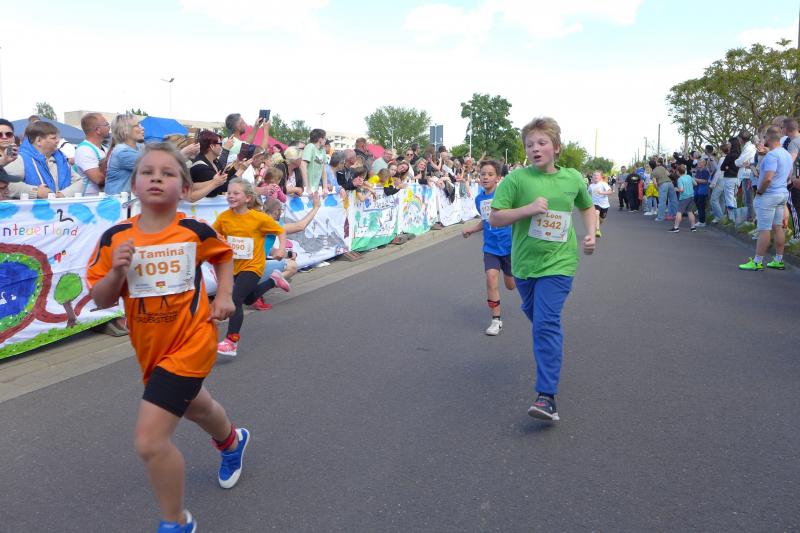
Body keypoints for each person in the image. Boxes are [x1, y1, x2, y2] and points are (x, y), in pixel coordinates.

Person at [86, 143, 249, 533]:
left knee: (150, 441)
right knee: (196, 406)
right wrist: (117, 272)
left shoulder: (194, 230)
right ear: (134, 185)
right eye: (148, 172)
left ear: (185, 188)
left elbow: (223, 255)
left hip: (193, 339)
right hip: (150, 347)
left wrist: (224, 295)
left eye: (168, 173)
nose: (156, 178)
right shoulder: (115, 238)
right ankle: (232, 441)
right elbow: (101, 298)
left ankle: (177, 523)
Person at [489, 117, 595, 422]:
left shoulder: (572, 178)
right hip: (524, 266)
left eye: (542, 143)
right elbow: (495, 218)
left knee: (546, 324)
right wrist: (528, 209)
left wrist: (591, 233)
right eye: (529, 145)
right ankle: (551, 349)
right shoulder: (516, 179)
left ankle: (547, 397)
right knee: (538, 318)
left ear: (556, 147)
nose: (535, 148)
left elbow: (587, 207)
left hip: (560, 263)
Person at [213, 178, 287, 357]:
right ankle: (273, 280)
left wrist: (282, 249)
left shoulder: (258, 218)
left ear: (247, 198)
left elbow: (280, 230)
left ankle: (231, 341)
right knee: (248, 299)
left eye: (236, 193)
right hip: (234, 267)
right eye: (229, 193)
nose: (231, 196)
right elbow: (213, 234)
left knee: (236, 299)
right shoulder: (224, 218)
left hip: (253, 266)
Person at [461, 159, 514, 336]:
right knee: (491, 279)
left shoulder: (505, 195)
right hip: (491, 247)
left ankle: (513, 277)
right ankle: (496, 320)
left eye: (490, 174)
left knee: (511, 285)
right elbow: (486, 221)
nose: (485, 177)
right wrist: (470, 229)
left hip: (509, 246)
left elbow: (516, 215)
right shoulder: (479, 199)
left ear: (498, 178)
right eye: (483, 174)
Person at [250, 193, 322, 311]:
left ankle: (255, 289)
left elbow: (268, 249)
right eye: (281, 210)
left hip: (247, 265)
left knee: (286, 263)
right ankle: (257, 293)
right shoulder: (271, 223)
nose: (281, 213)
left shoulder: (260, 220)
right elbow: (300, 226)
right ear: (276, 211)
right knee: (292, 266)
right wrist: (316, 207)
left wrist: (288, 254)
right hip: (253, 267)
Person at [738, 130, 793, 271]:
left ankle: (757, 262)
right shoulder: (787, 154)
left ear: (768, 138)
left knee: (764, 229)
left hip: (769, 195)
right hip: (782, 193)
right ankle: (778, 260)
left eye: (763, 138)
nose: (762, 141)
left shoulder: (772, 156)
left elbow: (768, 178)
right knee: (778, 227)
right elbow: (789, 176)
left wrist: (760, 192)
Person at [4, 121, 83, 198]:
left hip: (60, 206)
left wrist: (62, 194)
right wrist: (36, 192)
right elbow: (7, 184)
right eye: (53, 138)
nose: (58, 140)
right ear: (38, 141)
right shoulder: (20, 158)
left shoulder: (61, 159)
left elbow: (79, 182)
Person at [105, 114, 145, 195]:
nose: (143, 128)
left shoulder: (139, 147)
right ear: (125, 130)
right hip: (118, 201)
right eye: (137, 125)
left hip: (127, 200)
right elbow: (154, 167)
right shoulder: (122, 152)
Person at [73, 112, 110, 195]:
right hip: (90, 200)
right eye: (106, 124)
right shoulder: (84, 150)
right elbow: (98, 179)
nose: (109, 127)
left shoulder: (104, 148)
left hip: (103, 198)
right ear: (98, 130)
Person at [669, 164, 697, 233]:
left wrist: (676, 189)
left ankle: (676, 227)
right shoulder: (689, 176)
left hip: (684, 197)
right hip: (691, 196)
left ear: (678, 172)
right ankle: (693, 227)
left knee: (679, 212)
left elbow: (681, 189)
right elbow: (695, 184)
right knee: (690, 211)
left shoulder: (680, 179)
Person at [719, 136, 742, 223]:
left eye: (729, 143)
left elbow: (722, 167)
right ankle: (736, 218)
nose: (727, 145)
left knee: (729, 198)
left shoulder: (729, 155)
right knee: (733, 198)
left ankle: (731, 218)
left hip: (729, 178)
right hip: (737, 178)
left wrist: (727, 167)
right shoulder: (740, 154)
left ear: (732, 144)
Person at [300, 129, 327, 193]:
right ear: (320, 139)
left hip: (315, 189)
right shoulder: (310, 146)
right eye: (325, 138)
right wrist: (307, 187)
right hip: (307, 189)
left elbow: (323, 171)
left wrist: (325, 187)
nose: (325, 140)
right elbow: (303, 165)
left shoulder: (323, 150)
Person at [588, 170, 613, 237]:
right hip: (595, 203)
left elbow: (610, 192)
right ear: (592, 177)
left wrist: (602, 193)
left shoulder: (603, 184)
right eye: (594, 175)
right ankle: (597, 230)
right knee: (596, 213)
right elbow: (588, 194)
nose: (596, 176)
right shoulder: (591, 186)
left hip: (604, 205)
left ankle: (596, 225)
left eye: (597, 175)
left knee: (602, 219)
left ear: (600, 177)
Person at [693, 158, 711, 227]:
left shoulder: (705, 171)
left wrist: (695, 179)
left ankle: (702, 221)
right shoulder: (698, 170)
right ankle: (701, 219)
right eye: (698, 162)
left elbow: (706, 181)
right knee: (697, 202)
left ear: (704, 163)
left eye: (700, 162)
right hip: (697, 189)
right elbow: (696, 180)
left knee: (701, 206)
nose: (699, 163)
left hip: (703, 190)